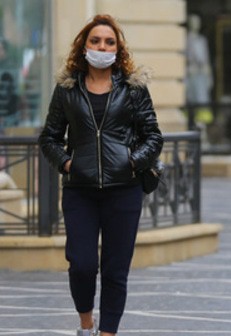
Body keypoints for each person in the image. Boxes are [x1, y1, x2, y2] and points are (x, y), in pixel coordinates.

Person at [38, 14, 163, 336]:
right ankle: (86, 324)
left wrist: (131, 162)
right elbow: (49, 137)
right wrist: (67, 164)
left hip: (124, 190)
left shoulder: (133, 89)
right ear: (84, 46)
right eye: (95, 41)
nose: (102, 47)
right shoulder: (67, 89)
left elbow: (153, 136)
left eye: (109, 42)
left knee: (115, 270)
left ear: (117, 48)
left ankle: (108, 333)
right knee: (81, 264)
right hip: (81, 190)